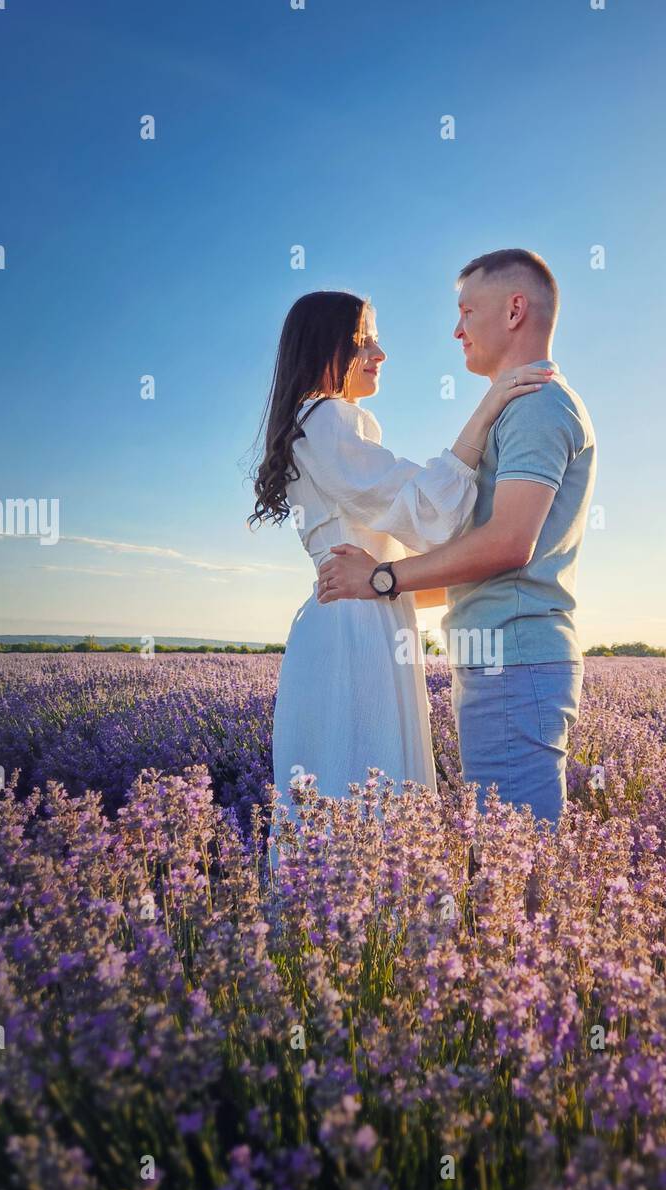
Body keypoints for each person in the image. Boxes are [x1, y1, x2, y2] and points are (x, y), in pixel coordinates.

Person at [248, 289, 552, 852]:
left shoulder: (316, 424)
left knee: (335, 798)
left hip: (346, 622)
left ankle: (327, 932)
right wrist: (485, 413)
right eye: (363, 340)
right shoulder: (328, 417)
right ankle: (371, 932)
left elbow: (408, 531)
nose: (380, 352)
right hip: (357, 631)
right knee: (368, 786)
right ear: (324, 347)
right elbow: (427, 512)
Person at [317, 250, 597, 841]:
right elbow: (480, 567)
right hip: (502, 656)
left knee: (515, 864)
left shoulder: (537, 405)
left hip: (516, 657)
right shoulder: (518, 405)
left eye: (467, 310)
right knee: (507, 857)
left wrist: (384, 578)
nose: (457, 329)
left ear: (515, 309)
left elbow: (509, 545)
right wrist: (376, 595)